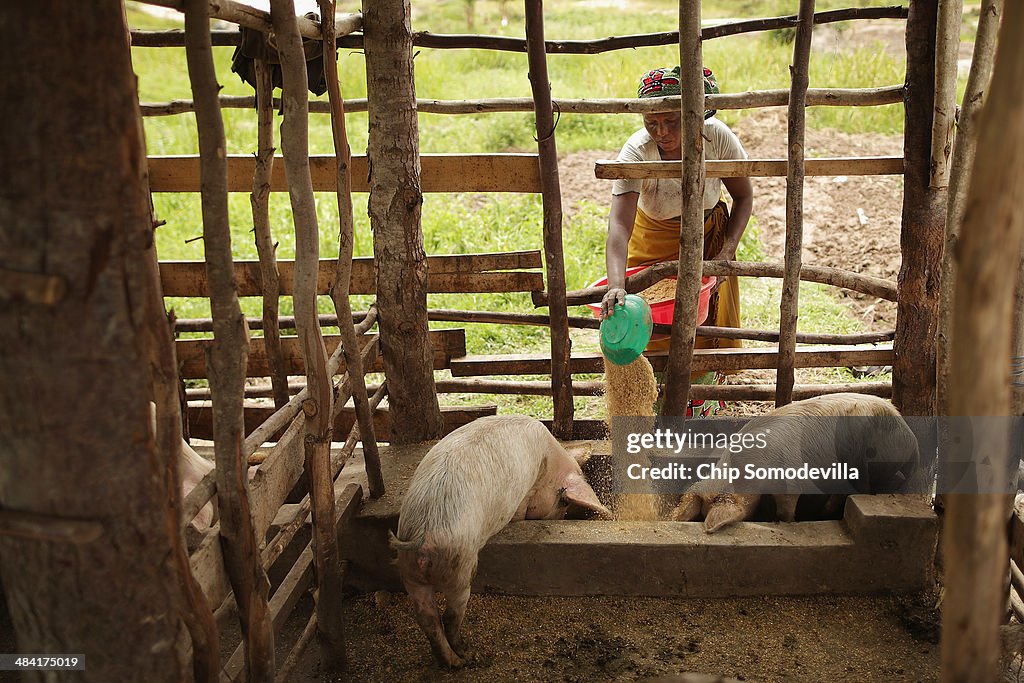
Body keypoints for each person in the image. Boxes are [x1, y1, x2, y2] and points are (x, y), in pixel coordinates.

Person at [600, 66, 754, 417]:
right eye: (651, 123)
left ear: (696, 115)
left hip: (705, 241)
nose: (662, 133)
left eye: (671, 121)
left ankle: (699, 408)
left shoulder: (718, 140)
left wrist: (727, 252)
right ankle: (653, 406)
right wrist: (616, 284)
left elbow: (743, 198)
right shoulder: (637, 152)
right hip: (652, 241)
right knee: (648, 324)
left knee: (702, 325)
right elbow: (619, 227)